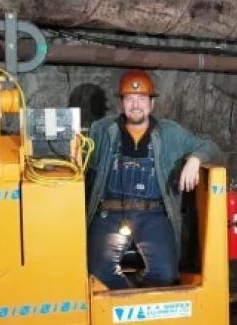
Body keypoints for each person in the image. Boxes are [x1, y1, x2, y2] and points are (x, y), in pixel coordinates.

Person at [86, 69, 222, 290]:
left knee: (166, 275)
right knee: (99, 274)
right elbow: (80, 158)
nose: (136, 105)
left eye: (141, 99)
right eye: (130, 99)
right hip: (109, 213)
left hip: (153, 215)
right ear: (121, 103)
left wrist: (196, 159)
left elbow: (211, 147)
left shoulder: (169, 132)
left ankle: (142, 302)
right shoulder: (101, 130)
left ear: (151, 104)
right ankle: (126, 307)